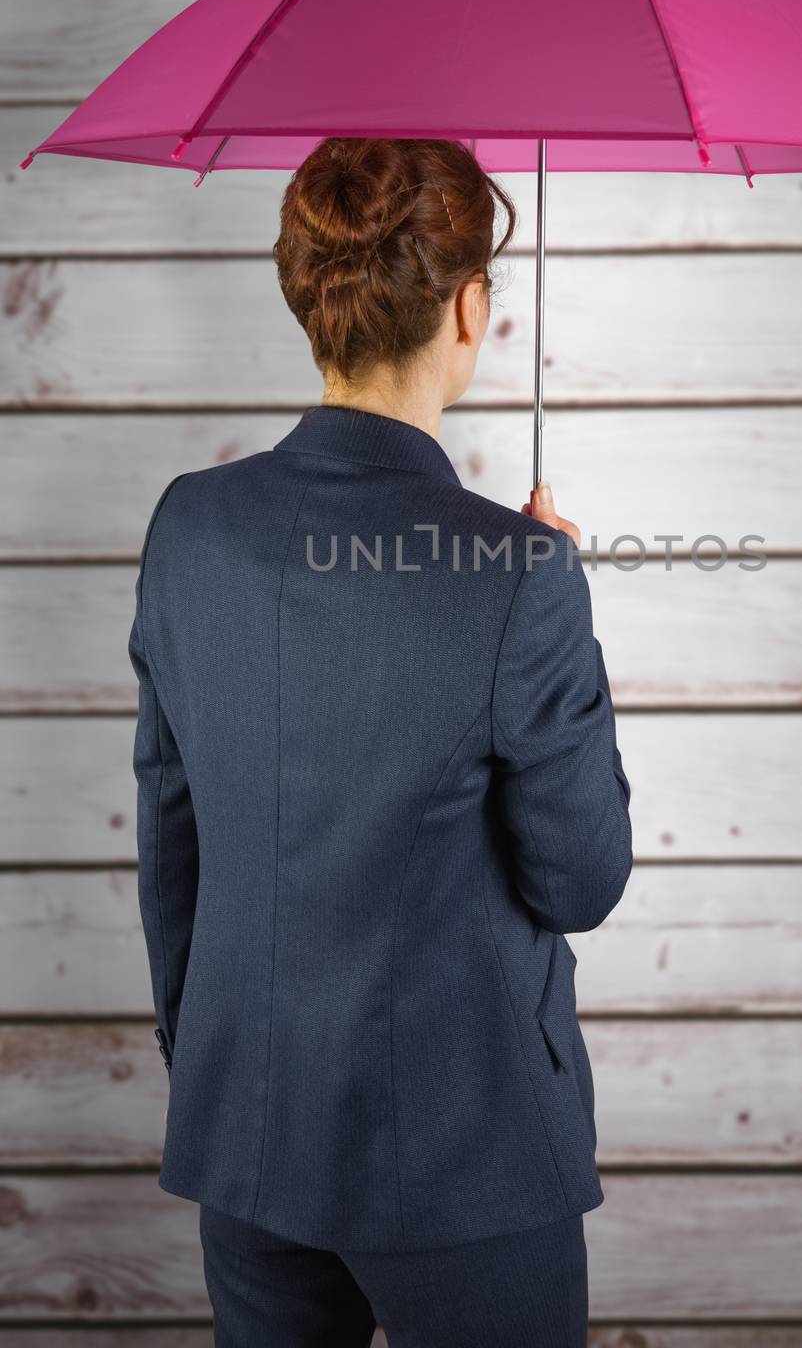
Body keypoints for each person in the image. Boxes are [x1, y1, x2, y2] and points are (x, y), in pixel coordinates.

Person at [128, 135, 633, 1346]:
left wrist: (208, 1052)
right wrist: (551, 584)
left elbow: (170, 829)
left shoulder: (188, 527)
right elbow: (582, 875)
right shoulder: (519, 573)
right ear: (468, 307)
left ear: (312, 298)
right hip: (467, 1156)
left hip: (247, 1126)